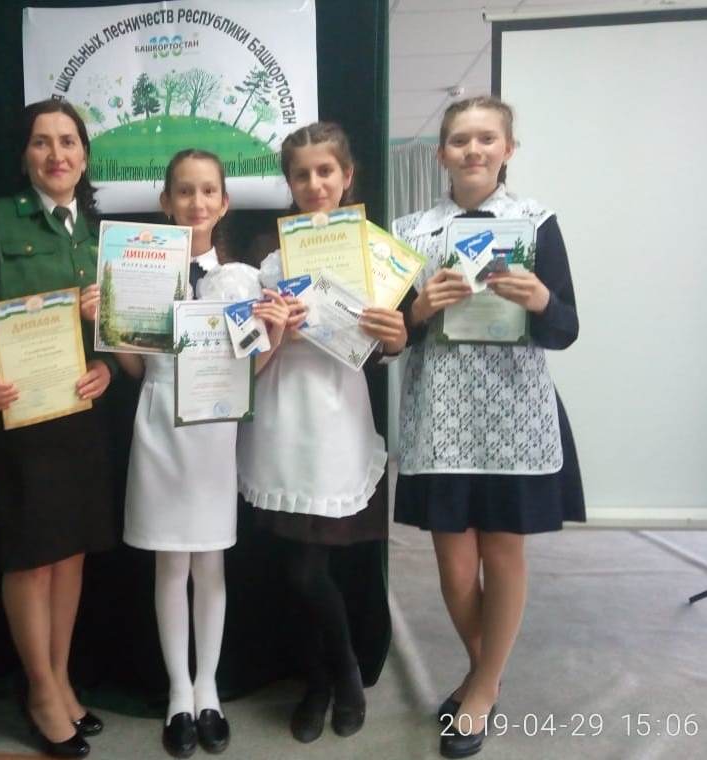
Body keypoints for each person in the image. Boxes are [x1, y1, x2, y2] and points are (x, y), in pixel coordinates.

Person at [392, 95, 584, 759]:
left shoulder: (537, 223)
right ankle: (488, 674)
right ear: (441, 153)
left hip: (513, 413)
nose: (472, 150)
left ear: (508, 149)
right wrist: (419, 308)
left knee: (502, 553)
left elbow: (566, 328)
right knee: (453, 568)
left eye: (486, 138)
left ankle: (479, 690)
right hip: (441, 414)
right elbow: (391, 337)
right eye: (459, 140)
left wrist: (541, 300)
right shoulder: (411, 229)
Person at [85, 149, 288, 757]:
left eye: (207, 191)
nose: (196, 202)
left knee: (211, 563)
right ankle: (178, 692)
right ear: (165, 202)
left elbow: (250, 371)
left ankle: (209, 691)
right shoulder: (139, 272)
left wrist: (276, 334)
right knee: (169, 564)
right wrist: (106, 321)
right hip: (158, 426)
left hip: (214, 432)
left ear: (224, 202)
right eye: (184, 191)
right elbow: (132, 368)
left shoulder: (243, 280)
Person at [0, 99, 117, 759]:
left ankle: (61, 678)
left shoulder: (99, 237)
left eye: (68, 141)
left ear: (85, 156)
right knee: (31, 560)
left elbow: (120, 334)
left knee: (70, 554)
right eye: (42, 142)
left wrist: (106, 367)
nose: (56, 154)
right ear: (25, 156)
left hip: (80, 419)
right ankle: (40, 691)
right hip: (18, 421)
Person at [237, 122, 408, 744]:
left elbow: (390, 344)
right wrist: (272, 326)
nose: (314, 183)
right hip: (283, 418)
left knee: (316, 569)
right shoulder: (268, 257)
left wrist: (397, 335)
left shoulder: (375, 252)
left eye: (325, 171)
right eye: (302, 174)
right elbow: (248, 349)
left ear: (347, 175)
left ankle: (340, 676)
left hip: (338, 420)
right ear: (289, 182)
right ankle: (324, 678)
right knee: (295, 568)